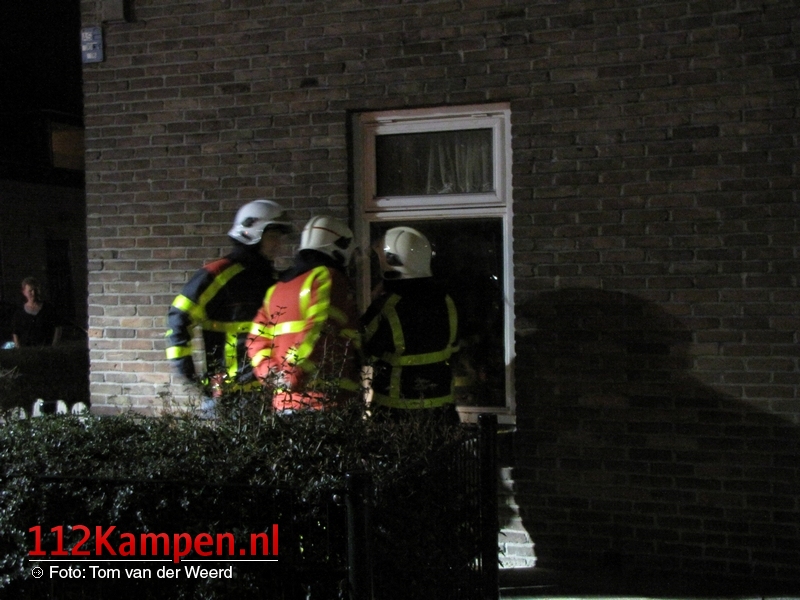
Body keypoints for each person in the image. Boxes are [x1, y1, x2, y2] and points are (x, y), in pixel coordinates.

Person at [165, 199, 291, 409]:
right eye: (272, 237)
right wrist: (189, 373)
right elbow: (179, 318)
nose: (278, 244)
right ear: (252, 234)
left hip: (268, 391)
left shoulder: (272, 279)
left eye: (279, 238)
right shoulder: (218, 275)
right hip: (228, 395)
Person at [247, 215, 361, 412]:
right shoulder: (327, 277)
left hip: (284, 403)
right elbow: (319, 329)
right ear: (339, 245)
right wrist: (293, 374)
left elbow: (256, 339)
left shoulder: (277, 288)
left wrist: (271, 375)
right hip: (324, 402)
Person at [361, 226, 459, 423]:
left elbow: (363, 348)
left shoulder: (388, 305)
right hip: (442, 409)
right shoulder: (446, 300)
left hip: (396, 413)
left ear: (391, 262)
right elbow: (456, 345)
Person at [11, 276, 62, 347]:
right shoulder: (19, 312)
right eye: (30, 291)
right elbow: (15, 332)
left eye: (35, 290)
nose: (33, 293)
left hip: (46, 349)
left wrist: (54, 345)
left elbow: (58, 327)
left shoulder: (48, 308)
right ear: (24, 292)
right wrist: (19, 349)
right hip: (27, 350)